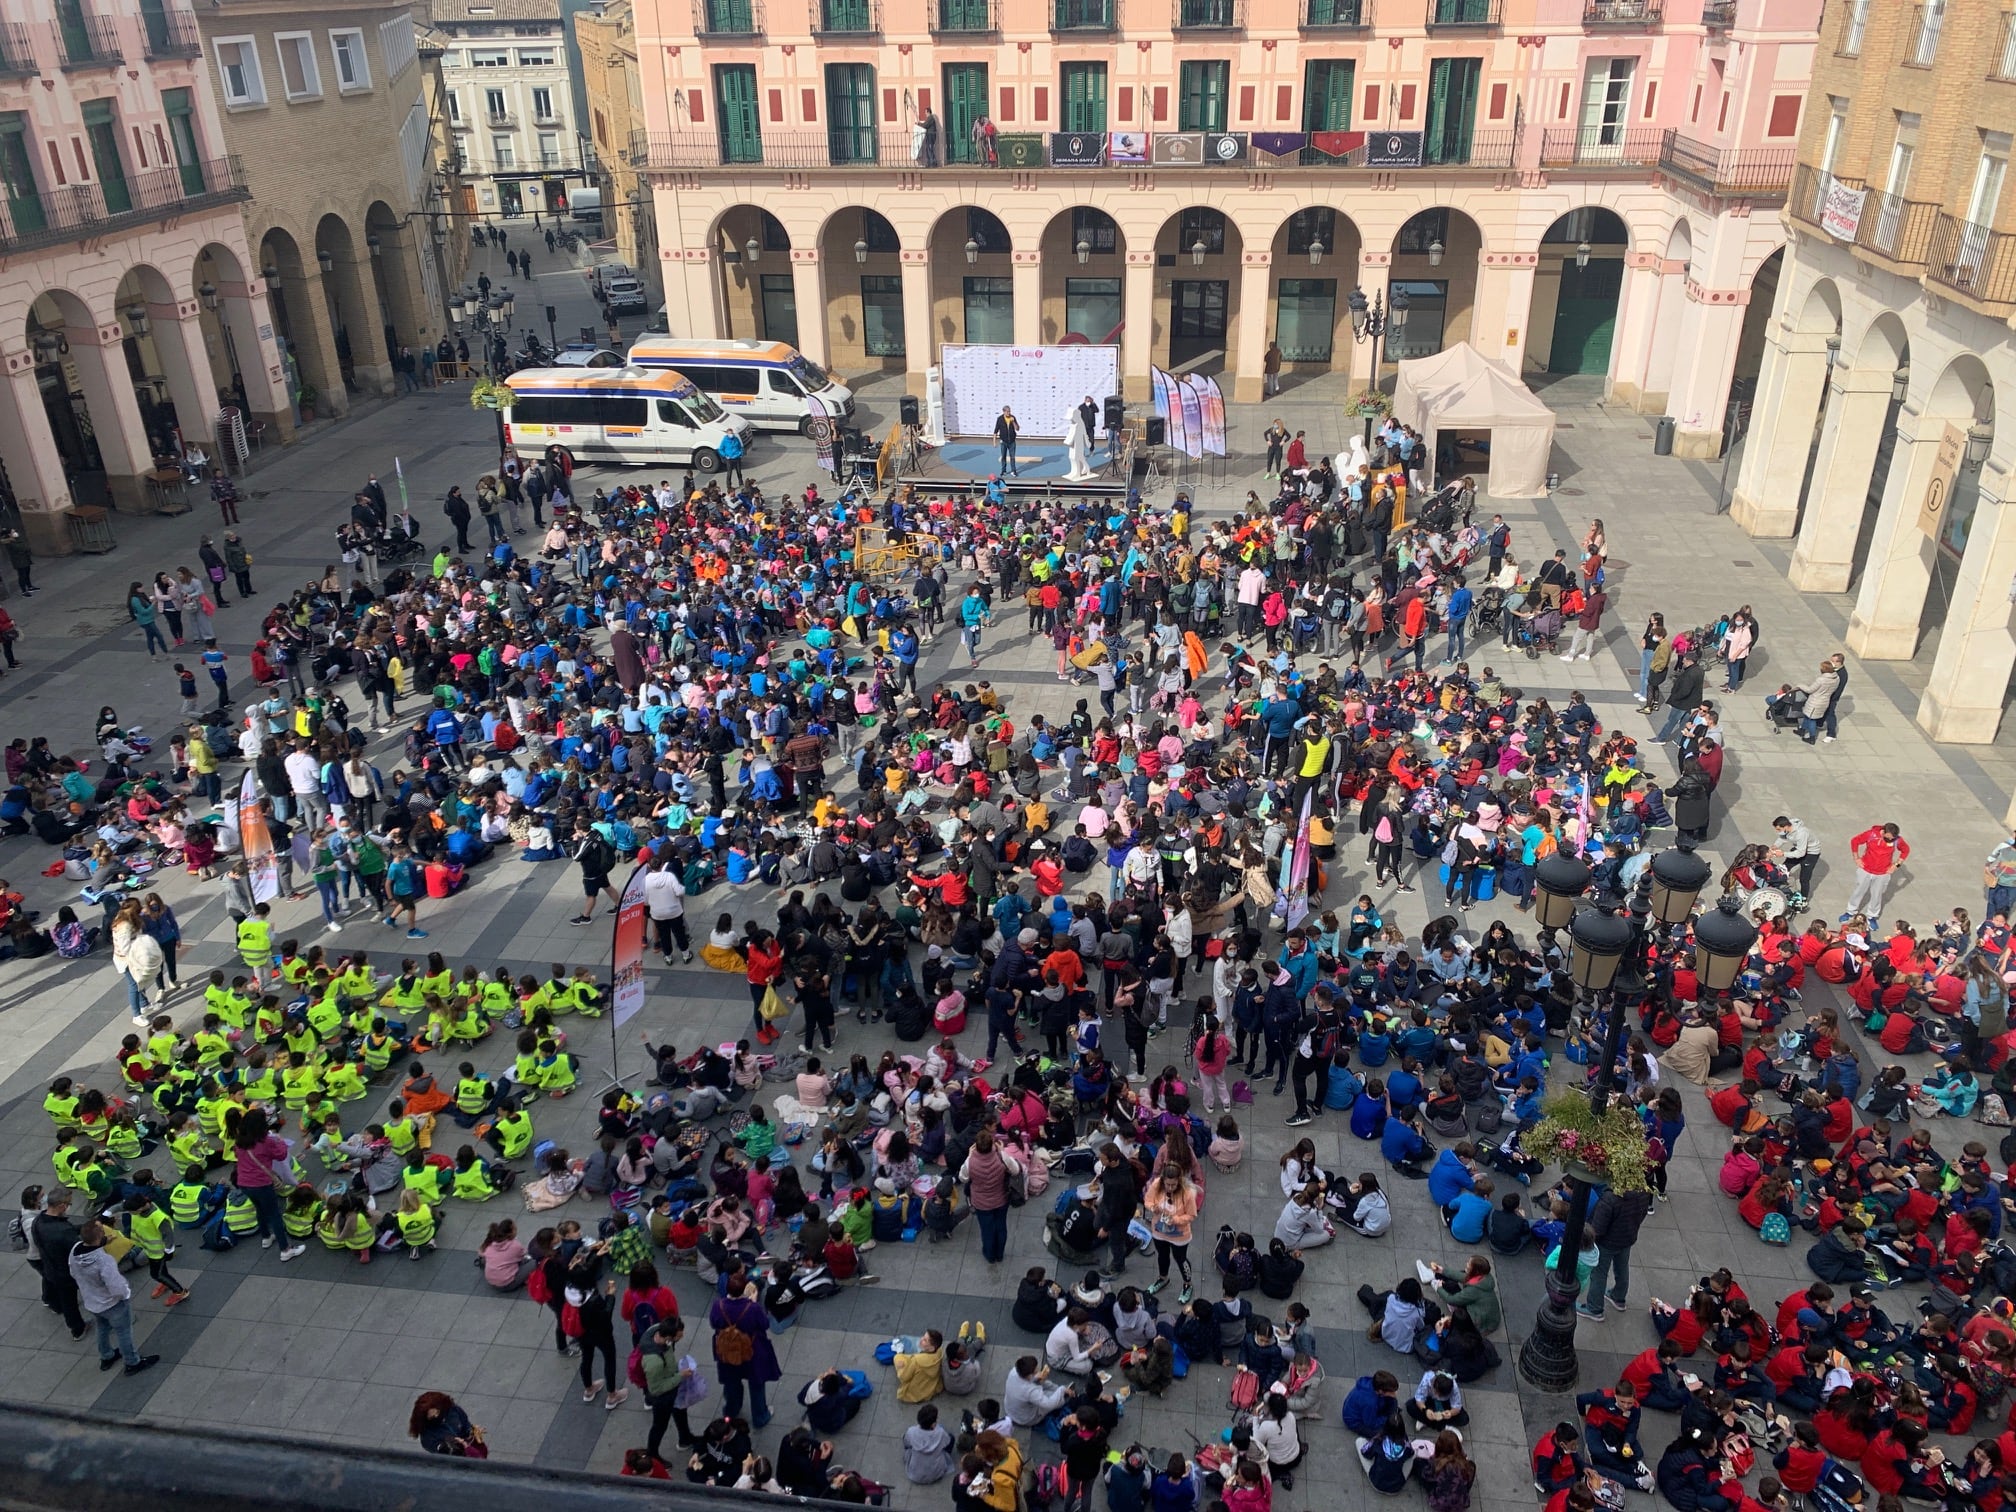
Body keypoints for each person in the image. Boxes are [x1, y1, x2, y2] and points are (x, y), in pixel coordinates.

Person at [68, 1220, 159, 1375]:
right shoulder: (104, 1260)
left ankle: (106, 1356)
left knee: (102, 1328)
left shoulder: (75, 1251)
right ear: (100, 1236)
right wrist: (125, 1295)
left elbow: (72, 1272)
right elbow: (115, 1286)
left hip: (92, 1301)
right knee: (124, 1332)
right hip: (112, 1304)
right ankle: (132, 1362)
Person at [1579, 1182, 1653, 1322]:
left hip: (1607, 1242)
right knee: (1622, 1267)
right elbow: (1642, 1214)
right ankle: (1618, 1297)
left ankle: (1594, 1308)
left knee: (1599, 1274)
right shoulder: (1643, 1190)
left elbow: (1598, 1229)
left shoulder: (1610, 1198)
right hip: (1627, 1237)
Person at [409, 1391, 485, 1456]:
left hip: (470, 1449)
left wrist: (472, 1432)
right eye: (432, 1417)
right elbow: (438, 1449)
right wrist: (449, 1446)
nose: (437, 1416)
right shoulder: (428, 1435)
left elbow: (465, 1423)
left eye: (438, 1412)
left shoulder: (452, 1410)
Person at [994, 407, 1020, 478]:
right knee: (1003, 457)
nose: (1009, 413)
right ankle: (1003, 471)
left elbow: (1017, 428)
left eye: (1009, 411)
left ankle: (1013, 471)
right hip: (1003, 441)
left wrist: (1013, 422)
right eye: (1007, 411)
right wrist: (994, 442)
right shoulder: (1000, 419)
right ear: (1004, 412)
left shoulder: (1013, 417)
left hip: (1012, 441)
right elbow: (995, 431)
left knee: (1012, 457)